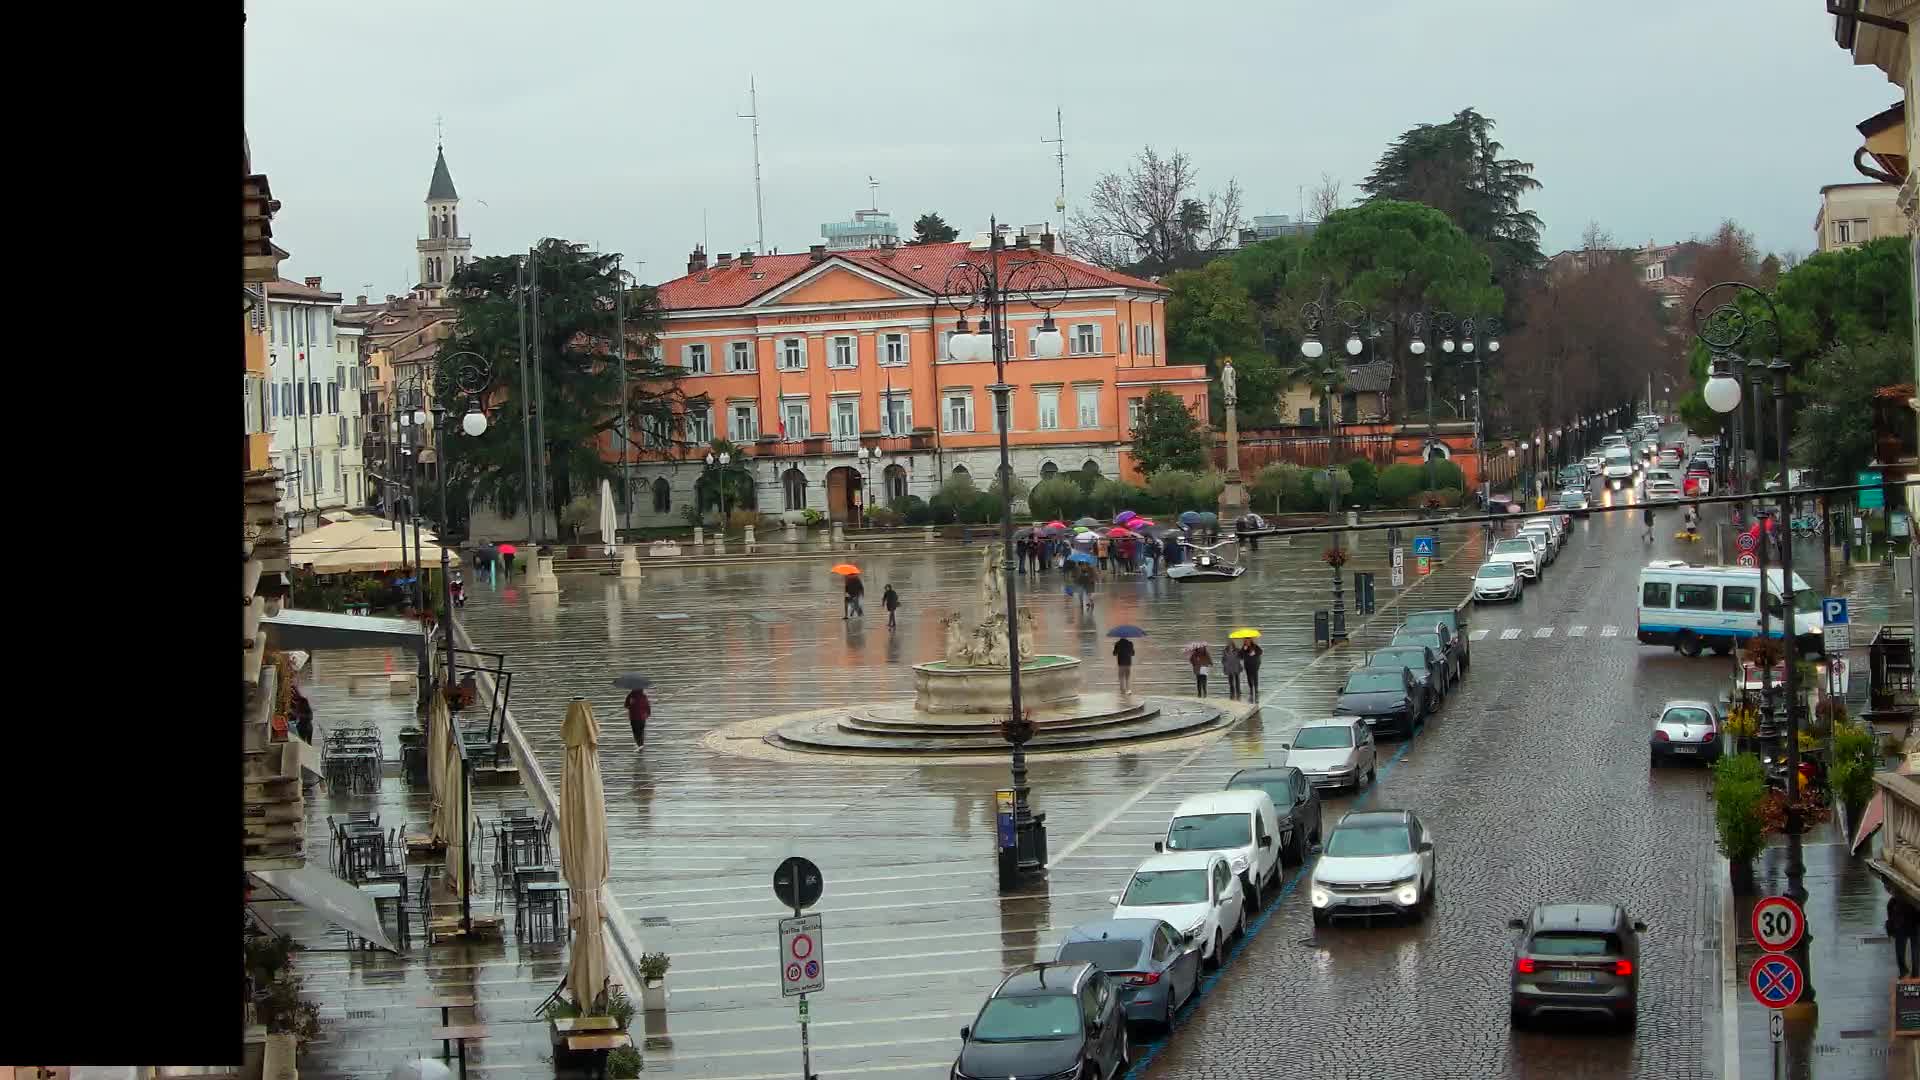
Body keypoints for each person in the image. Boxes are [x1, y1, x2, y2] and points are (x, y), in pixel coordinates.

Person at [1889, 895, 1920, 977]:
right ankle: (1915, 973)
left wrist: (1891, 925)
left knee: (1901, 949)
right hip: (1912, 920)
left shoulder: (1895, 899)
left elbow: (1890, 907)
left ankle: (1904, 971)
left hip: (1903, 921)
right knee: (1915, 949)